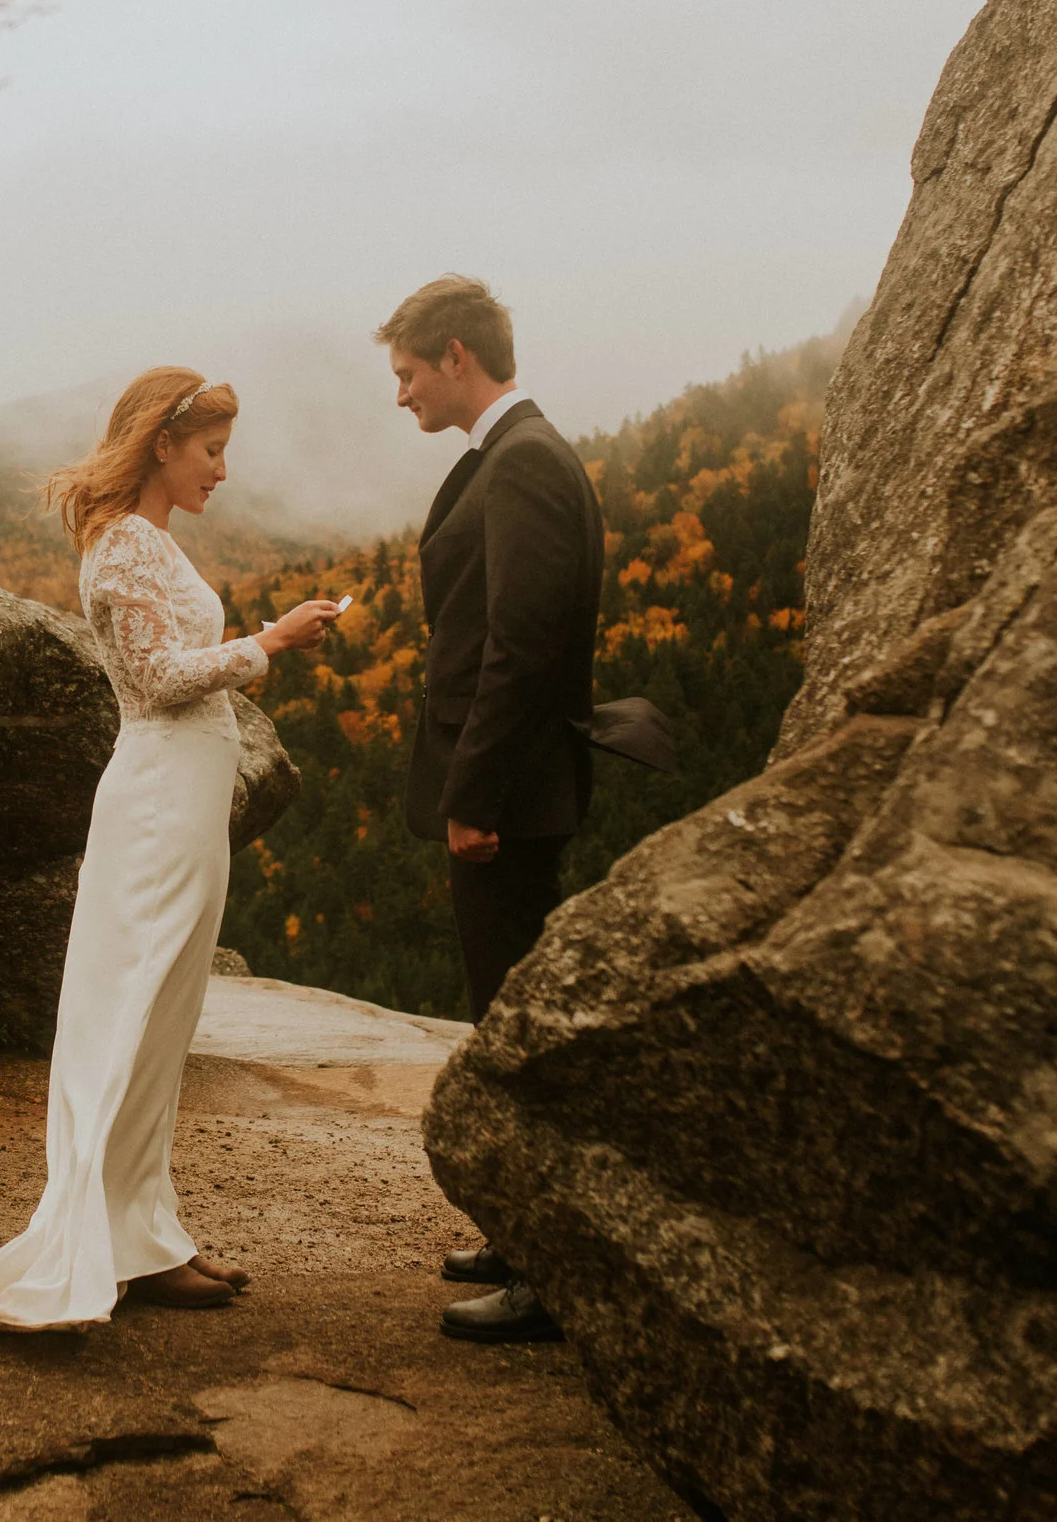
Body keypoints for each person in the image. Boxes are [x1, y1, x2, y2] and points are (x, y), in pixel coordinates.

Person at [0, 368, 342, 1338]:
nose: (223, 469)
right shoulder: (119, 548)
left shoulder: (152, 541)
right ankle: (109, 1234)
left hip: (189, 801)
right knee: (132, 1010)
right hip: (158, 804)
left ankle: (146, 1231)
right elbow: (159, 678)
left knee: (163, 1017)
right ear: (162, 445)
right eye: (211, 449)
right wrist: (272, 640)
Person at [381, 276, 603, 1344]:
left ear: (457, 356)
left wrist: (471, 797)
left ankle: (549, 1273)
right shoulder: (511, 457)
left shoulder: (523, 463)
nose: (402, 395)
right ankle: (521, 1236)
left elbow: (520, 645)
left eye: (408, 373)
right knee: (501, 1022)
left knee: (512, 1037)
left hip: (507, 798)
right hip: (507, 790)